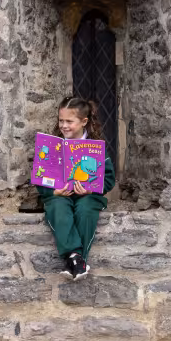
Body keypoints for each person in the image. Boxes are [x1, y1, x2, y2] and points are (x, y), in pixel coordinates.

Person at [36, 97, 116, 280]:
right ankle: (76, 258)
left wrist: (91, 189)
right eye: (61, 120)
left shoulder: (96, 147)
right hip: (59, 195)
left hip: (88, 196)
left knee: (86, 209)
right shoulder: (52, 145)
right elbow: (40, 180)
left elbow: (109, 180)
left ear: (84, 122)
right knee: (59, 208)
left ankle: (73, 259)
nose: (64, 125)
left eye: (69, 121)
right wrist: (53, 191)